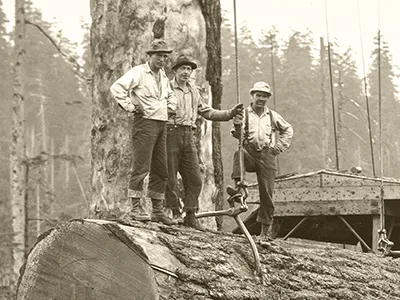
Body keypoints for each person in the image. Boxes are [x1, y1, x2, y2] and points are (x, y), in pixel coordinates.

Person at [166, 54, 244, 230]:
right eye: (182, 69)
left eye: (189, 69)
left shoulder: (194, 91)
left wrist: (230, 113)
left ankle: (190, 215)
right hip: (170, 133)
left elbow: (207, 112)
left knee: (195, 178)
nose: (186, 72)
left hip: (188, 134)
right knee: (169, 176)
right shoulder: (167, 88)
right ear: (175, 71)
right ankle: (175, 213)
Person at [110, 39, 178, 225]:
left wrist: (171, 107)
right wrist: (130, 106)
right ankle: (135, 208)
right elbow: (116, 88)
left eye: (165, 56)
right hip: (145, 123)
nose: (162, 60)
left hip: (161, 123)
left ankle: (157, 209)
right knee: (141, 166)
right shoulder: (139, 72)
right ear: (150, 56)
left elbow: (172, 95)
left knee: (161, 167)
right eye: (158, 56)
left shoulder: (163, 76)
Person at [230, 81, 293, 246]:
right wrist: (237, 127)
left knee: (267, 193)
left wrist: (278, 147)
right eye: (258, 95)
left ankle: (265, 232)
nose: (261, 99)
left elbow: (288, 129)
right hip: (249, 152)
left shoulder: (272, 116)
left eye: (264, 96)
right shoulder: (243, 113)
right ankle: (240, 188)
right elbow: (237, 136)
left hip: (267, 155)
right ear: (252, 96)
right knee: (239, 154)